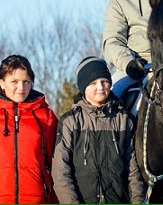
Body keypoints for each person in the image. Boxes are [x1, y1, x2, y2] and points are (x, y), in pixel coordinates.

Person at [52, 56, 145, 204]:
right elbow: (61, 171)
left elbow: (133, 170)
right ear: (83, 87)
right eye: (93, 83)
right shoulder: (70, 121)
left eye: (105, 81)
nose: (100, 87)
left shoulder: (124, 120)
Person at [0, 55, 58, 204]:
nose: (21, 88)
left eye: (26, 82)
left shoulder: (46, 117)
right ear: (2, 83)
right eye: (14, 82)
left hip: (38, 198)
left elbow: (56, 164)